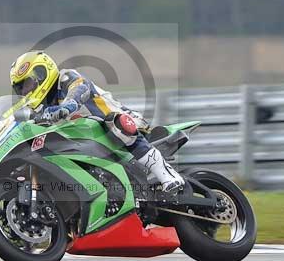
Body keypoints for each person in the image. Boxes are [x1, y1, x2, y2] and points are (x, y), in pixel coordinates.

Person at [10, 50, 184, 194]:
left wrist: (68, 106)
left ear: (41, 74)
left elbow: (80, 88)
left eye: (28, 84)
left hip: (121, 125)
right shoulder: (39, 112)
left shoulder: (66, 77)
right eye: (21, 88)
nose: (26, 91)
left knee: (116, 123)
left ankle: (167, 175)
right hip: (89, 147)